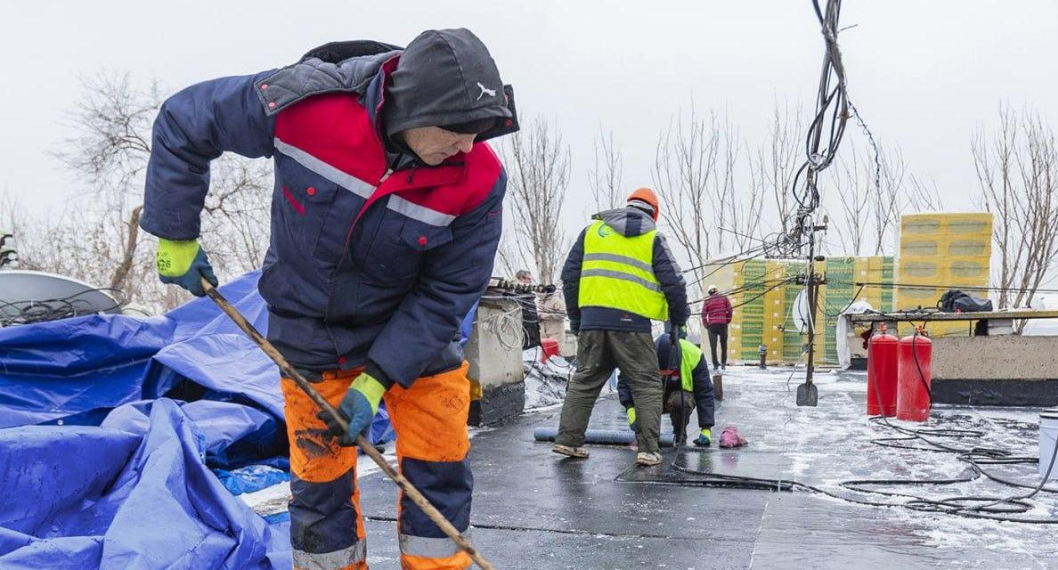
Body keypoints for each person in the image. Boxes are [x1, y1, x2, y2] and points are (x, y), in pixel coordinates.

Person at [141, 30, 518, 570]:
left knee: (439, 471)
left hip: (416, 342)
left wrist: (379, 376)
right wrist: (175, 231)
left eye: (479, 131)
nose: (468, 144)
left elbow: (447, 294)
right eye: (457, 130)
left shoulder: (480, 180)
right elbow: (185, 119)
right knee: (321, 489)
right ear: (411, 108)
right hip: (313, 336)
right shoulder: (307, 110)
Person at [555, 188, 689, 467]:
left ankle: (569, 441)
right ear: (655, 214)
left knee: (585, 380)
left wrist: (578, 320)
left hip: (592, 321)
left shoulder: (591, 233)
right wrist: (679, 318)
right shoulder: (653, 239)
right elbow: (674, 283)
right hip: (633, 326)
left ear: (627, 205)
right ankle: (649, 450)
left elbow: (569, 276)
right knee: (646, 384)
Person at [618, 328, 716, 446]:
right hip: (652, 395)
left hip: (679, 396)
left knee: (681, 401)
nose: (664, 375)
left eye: (668, 372)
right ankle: (648, 435)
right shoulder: (643, 353)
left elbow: (704, 392)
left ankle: (679, 433)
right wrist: (630, 409)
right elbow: (625, 381)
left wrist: (706, 428)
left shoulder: (694, 355)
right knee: (646, 430)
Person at [702, 285, 733, 372]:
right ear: (716, 290)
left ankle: (715, 365)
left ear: (709, 292)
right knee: (724, 345)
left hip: (712, 326)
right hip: (723, 325)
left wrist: (706, 325)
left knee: (713, 346)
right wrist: (727, 320)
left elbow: (703, 314)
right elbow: (730, 309)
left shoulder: (707, 300)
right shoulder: (724, 298)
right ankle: (723, 364)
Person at [515, 269, 541, 350]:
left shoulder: (529, 294)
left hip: (533, 329)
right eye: (528, 279)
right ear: (521, 279)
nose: (530, 281)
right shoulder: (517, 293)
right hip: (524, 330)